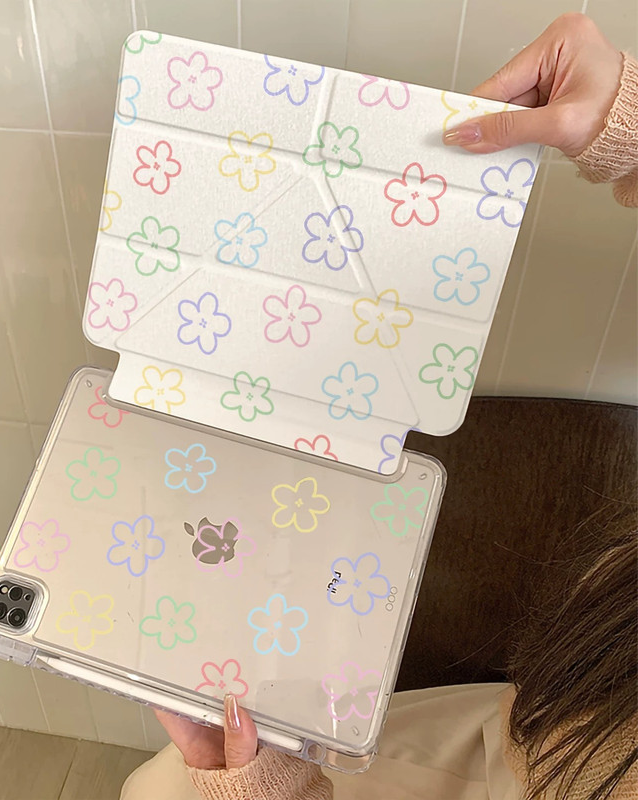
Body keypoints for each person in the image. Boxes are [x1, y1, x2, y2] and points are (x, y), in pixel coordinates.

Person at [121, 13, 638, 800]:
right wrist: (622, 119)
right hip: (558, 725)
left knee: (163, 788)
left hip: (558, 754)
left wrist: (270, 790)